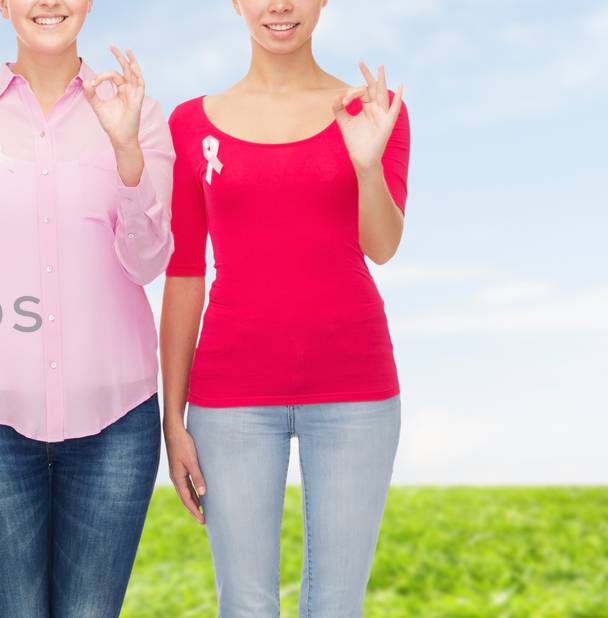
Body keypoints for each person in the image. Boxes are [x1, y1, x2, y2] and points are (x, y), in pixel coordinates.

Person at [0, 0, 173, 614]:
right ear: (2, 5)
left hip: (118, 422)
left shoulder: (143, 113)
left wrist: (127, 150)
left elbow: (148, 263)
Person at [160, 0, 411, 616]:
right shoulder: (190, 123)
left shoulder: (371, 111)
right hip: (230, 397)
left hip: (356, 391)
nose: (279, 6)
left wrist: (366, 162)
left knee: (336, 605)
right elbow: (185, 270)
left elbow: (383, 246)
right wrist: (173, 416)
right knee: (244, 605)